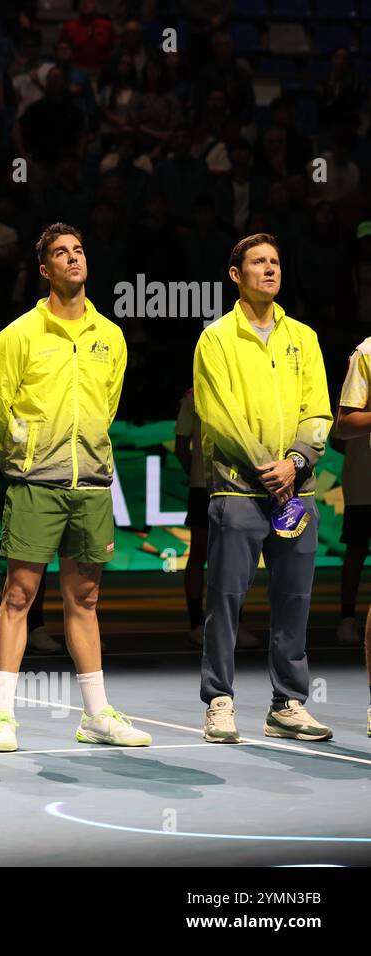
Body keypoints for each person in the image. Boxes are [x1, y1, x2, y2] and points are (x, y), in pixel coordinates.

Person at [0, 223, 153, 753]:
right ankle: (3, 717)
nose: (73, 258)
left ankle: (96, 715)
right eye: (61, 252)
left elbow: (108, 404)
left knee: (86, 597)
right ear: (44, 269)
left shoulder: (111, 335)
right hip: (36, 484)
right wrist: (21, 463)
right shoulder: (17, 336)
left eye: (79, 249)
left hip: (93, 484)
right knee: (19, 595)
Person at [194, 233, 333, 744]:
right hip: (237, 491)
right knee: (226, 599)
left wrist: (295, 462)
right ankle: (220, 701)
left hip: (298, 491)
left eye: (275, 261)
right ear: (236, 275)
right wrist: (266, 468)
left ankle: (288, 704)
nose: (270, 269)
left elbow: (319, 411)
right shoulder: (216, 339)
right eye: (258, 262)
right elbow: (218, 415)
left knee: (293, 599)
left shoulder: (305, 338)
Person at [175, 386, 260, 650]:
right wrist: (199, 473)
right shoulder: (193, 396)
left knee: (234, 557)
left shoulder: (244, 389)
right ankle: (197, 625)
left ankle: (235, 623)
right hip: (204, 487)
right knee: (199, 553)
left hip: (238, 485)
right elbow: (181, 446)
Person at [333, 336, 371, 736]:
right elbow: (340, 429)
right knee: (357, 552)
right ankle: (346, 617)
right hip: (364, 485)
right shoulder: (366, 354)